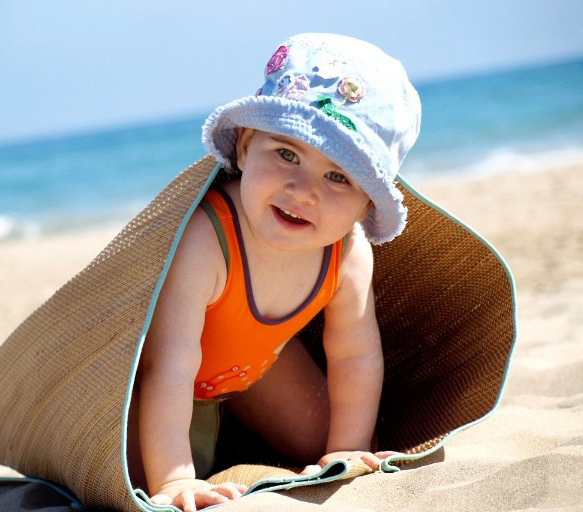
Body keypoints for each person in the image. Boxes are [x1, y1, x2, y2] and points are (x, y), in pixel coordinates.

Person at [131, 33, 421, 512]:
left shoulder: (346, 252)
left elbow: (355, 354)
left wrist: (347, 448)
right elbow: (172, 364)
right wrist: (174, 480)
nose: (302, 190)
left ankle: (242, 444)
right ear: (244, 148)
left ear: (366, 204)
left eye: (337, 177)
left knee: (317, 441)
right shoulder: (207, 240)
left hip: (250, 370)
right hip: (157, 377)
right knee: (137, 478)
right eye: (286, 154)